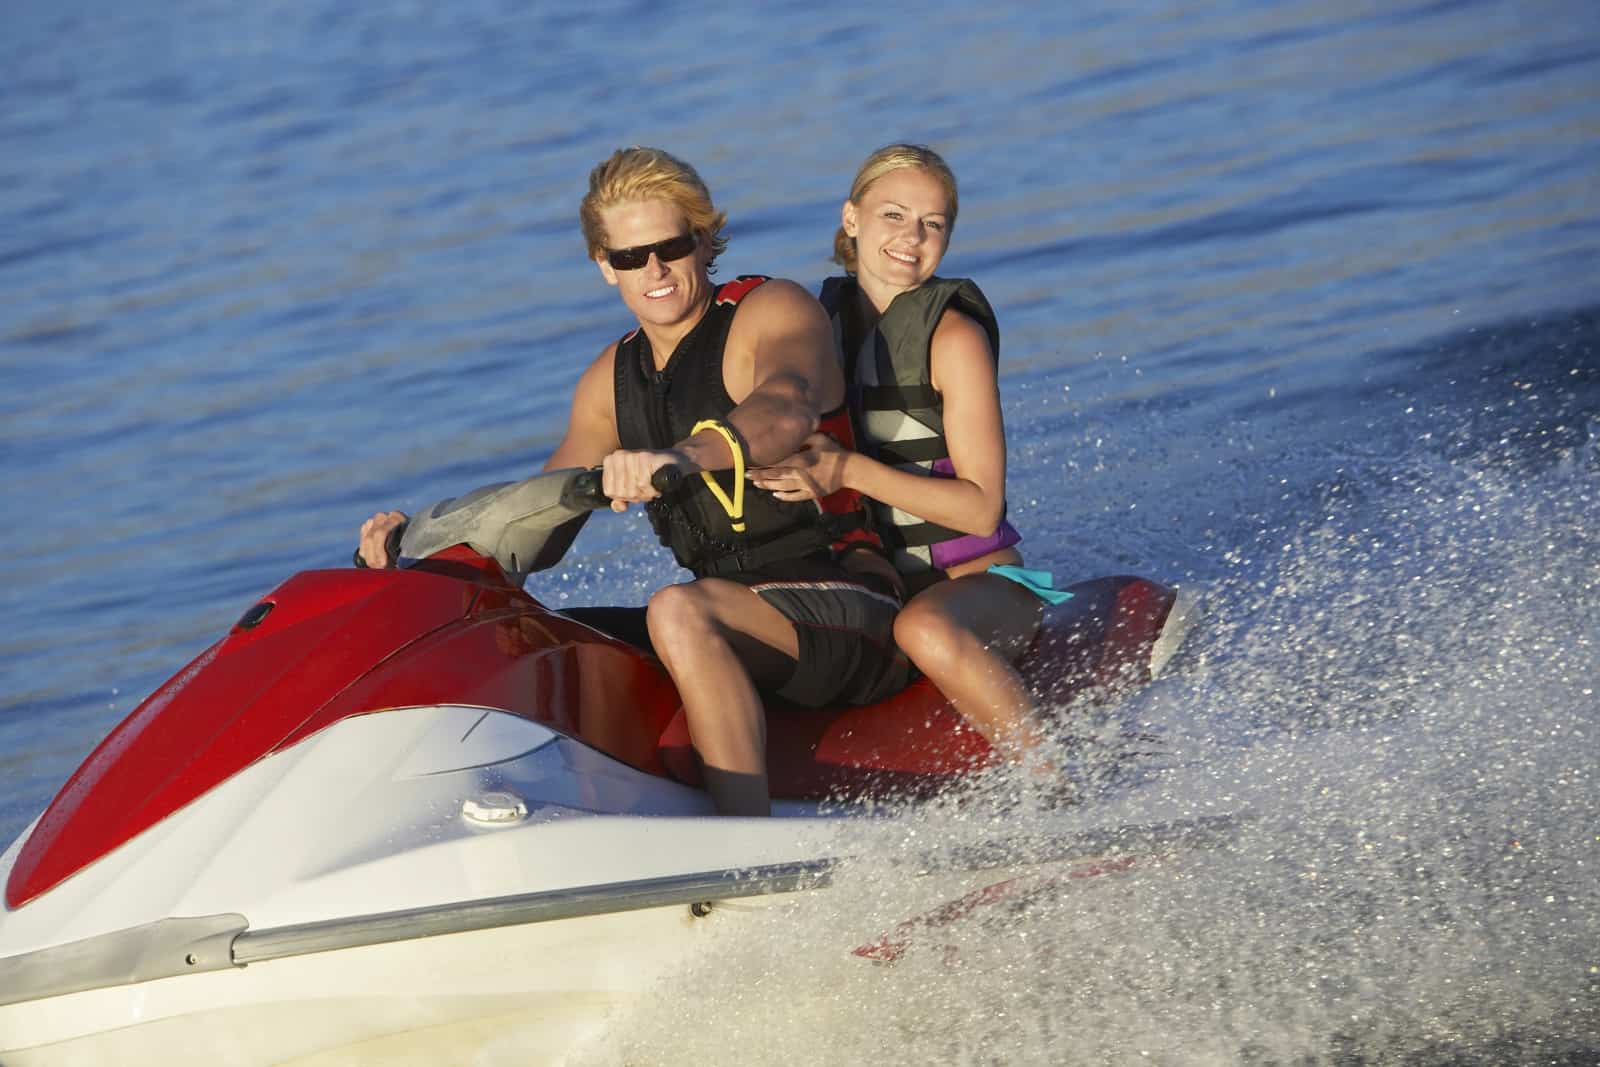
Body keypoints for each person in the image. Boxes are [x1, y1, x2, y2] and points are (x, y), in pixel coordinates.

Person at [358, 147, 907, 817]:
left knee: (675, 608)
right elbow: (536, 524)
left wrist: (680, 456)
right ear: (603, 266)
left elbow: (786, 406)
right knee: (526, 638)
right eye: (629, 256)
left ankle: (743, 844)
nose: (654, 270)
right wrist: (411, 569)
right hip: (729, 613)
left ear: (704, 241)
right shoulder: (606, 385)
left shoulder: (771, 311)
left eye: (671, 246)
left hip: (853, 602)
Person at [750, 144, 1065, 775]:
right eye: (894, 215)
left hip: (981, 588)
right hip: (874, 587)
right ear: (851, 219)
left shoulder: (954, 339)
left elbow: (981, 510)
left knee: (923, 629)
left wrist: (844, 471)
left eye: (933, 224)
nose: (911, 237)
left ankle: (1056, 782)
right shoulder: (813, 330)